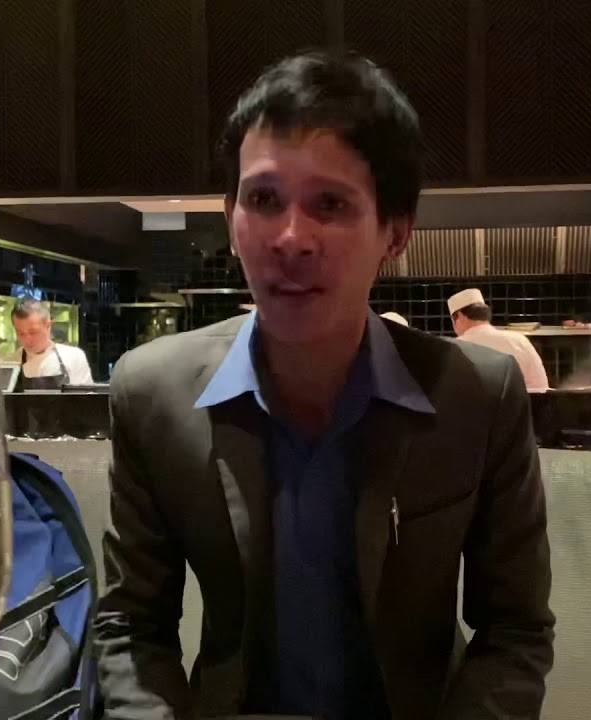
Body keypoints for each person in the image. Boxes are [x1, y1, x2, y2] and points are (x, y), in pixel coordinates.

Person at [96, 50, 554, 720]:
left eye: (330, 203)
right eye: (263, 199)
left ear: (395, 231)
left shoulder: (478, 396)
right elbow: (132, 628)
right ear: (231, 219)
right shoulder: (151, 393)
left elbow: (515, 630)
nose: (291, 238)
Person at [448, 288, 550, 393]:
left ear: (459, 317)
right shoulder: (519, 340)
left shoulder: (453, 348)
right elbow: (540, 388)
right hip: (522, 402)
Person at [10, 299, 93, 389]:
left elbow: (85, 396)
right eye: (21, 333)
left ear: (48, 325)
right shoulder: (11, 362)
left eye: (33, 332)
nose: (27, 339)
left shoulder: (74, 357)